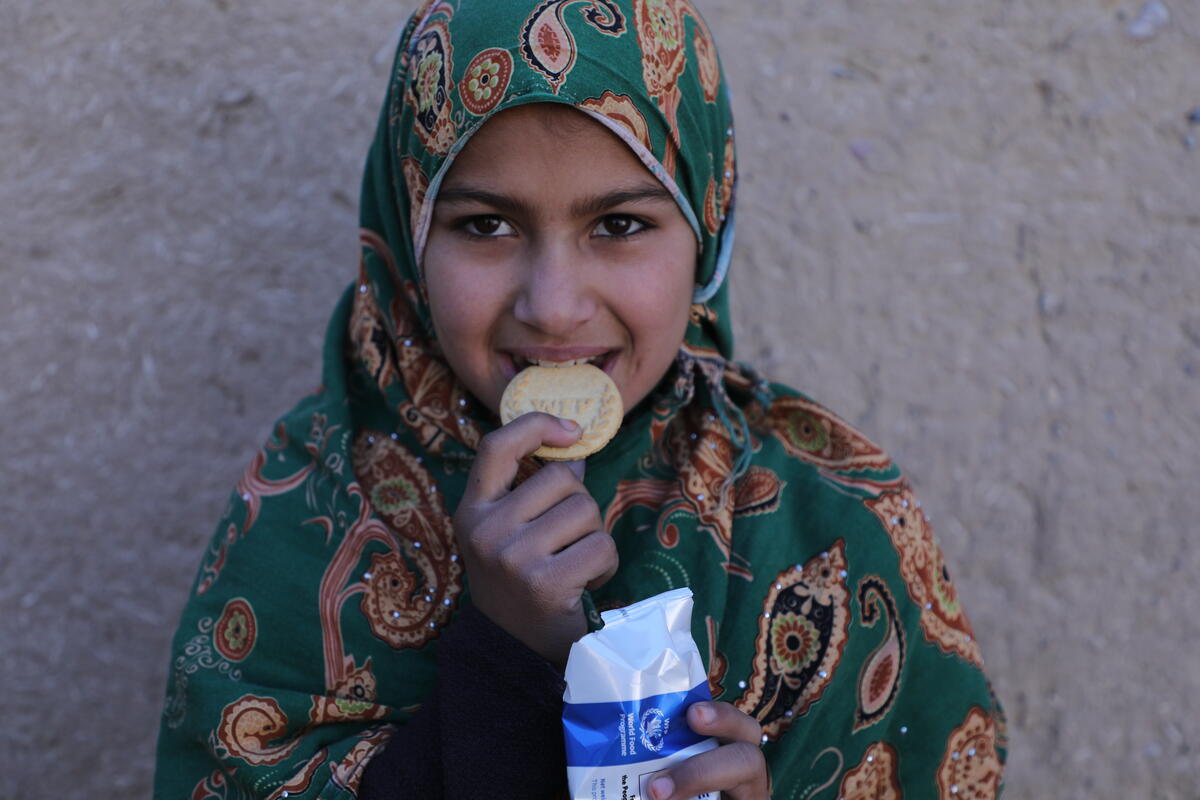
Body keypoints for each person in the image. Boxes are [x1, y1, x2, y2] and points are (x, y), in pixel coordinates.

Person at [154, 1, 1008, 797]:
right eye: (486, 225)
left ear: (705, 233)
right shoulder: (306, 509)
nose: (554, 305)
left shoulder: (826, 519)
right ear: (411, 236)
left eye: (621, 225)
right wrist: (507, 656)